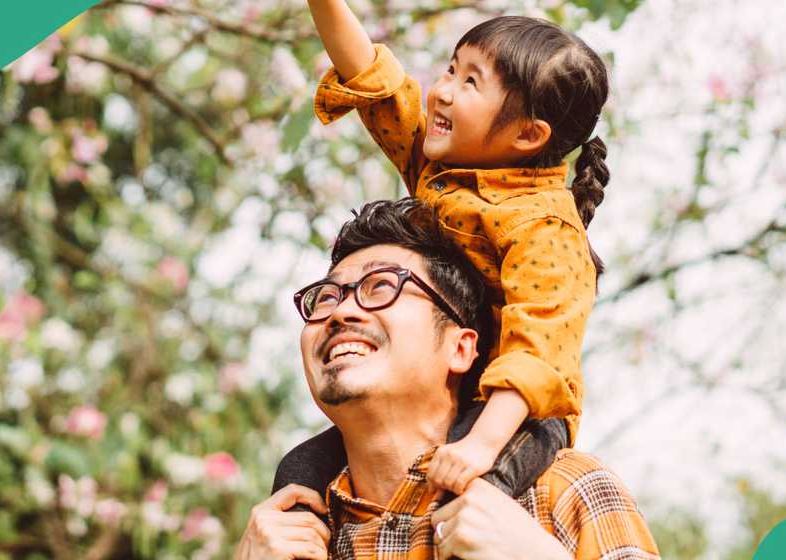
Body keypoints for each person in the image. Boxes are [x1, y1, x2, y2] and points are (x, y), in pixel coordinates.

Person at [276, 2, 613, 501]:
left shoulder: (546, 226)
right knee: (299, 467)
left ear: (527, 133)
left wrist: (481, 444)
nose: (442, 91)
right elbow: (374, 80)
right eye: (451, 69)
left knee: (470, 494)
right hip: (442, 394)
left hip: (515, 414)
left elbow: (537, 351)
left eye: (470, 83)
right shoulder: (443, 175)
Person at [234, 198, 658, 560]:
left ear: (460, 348)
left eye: (381, 286)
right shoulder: (288, 532)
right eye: (326, 297)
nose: (342, 312)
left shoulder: (562, 491)